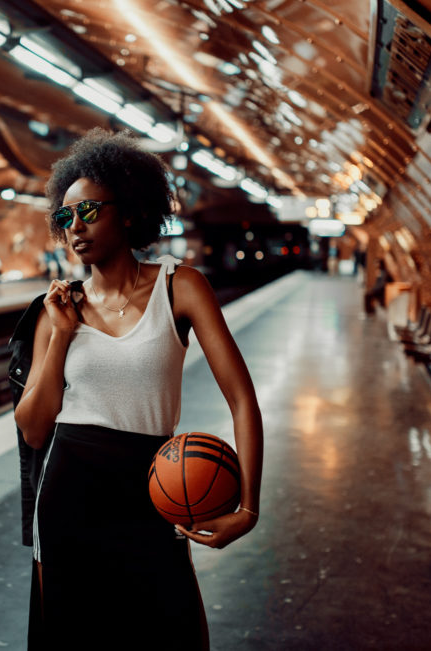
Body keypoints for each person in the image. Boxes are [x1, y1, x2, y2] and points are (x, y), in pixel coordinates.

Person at [14, 129, 263, 650]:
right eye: (65, 217)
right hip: (68, 490)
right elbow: (34, 428)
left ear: (129, 212)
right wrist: (61, 334)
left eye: (89, 212)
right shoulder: (55, 309)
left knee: (169, 633)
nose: (74, 228)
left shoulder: (181, 287)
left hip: (155, 486)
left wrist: (248, 508)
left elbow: (241, 399)